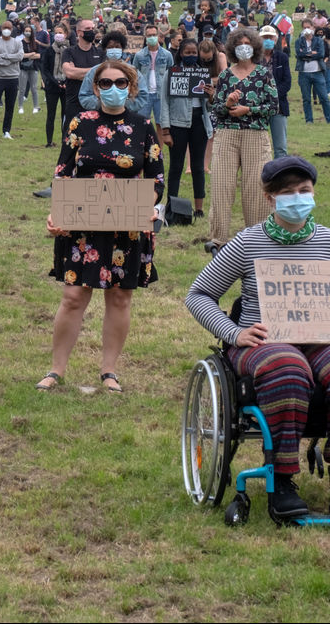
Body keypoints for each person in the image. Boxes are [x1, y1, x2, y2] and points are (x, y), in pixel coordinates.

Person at [186, 156, 330, 520]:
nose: (297, 198)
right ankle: (283, 478)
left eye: (304, 191)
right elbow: (198, 295)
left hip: (323, 338)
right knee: (286, 366)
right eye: (288, 193)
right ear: (269, 197)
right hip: (264, 341)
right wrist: (234, 333)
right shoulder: (247, 243)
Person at [39, 60, 163, 393]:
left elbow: (157, 178)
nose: (112, 88)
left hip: (127, 227)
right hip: (83, 224)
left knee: (120, 298)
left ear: (131, 87)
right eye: (105, 83)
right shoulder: (80, 122)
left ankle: (109, 372)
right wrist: (57, 214)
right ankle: (56, 370)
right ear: (95, 88)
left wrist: (149, 206)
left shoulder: (143, 126)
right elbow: (63, 171)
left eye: (120, 82)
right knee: (73, 296)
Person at [205, 29, 278, 253]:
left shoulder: (264, 73)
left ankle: (257, 238)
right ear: (232, 48)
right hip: (227, 134)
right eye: (240, 43)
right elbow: (216, 109)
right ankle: (217, 239)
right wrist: (227, 104)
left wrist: (249, 109)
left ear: (255, 47)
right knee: (221, 186)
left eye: (248, 43)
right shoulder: (226, 75)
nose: (244, 46)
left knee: (255, 188)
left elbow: (274, 107)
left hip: (255, 135)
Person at [159, 39, 211, 219]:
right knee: (176, 166)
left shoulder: (203, 74)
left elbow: (211, 105)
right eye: (187, 53)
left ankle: (199, 209)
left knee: (198, 167)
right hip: (177, 124)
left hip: (199, 123)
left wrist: (212, 96)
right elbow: (163, 101)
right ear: (180, 53)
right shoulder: (171, 73)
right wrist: (165, 130)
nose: (191, 56)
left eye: (194, 53)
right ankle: (171, 206)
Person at [259, 25, 292, 158]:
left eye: (270, 37)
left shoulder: (282, 57)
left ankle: (281, 175)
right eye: (264, 37)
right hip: (258, 105)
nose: (268, 40)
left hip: (278, 105)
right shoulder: (253, 59)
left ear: (275, 39)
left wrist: (273, 95)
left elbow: (287, 82)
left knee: (280, 147)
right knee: (258, 146)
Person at [0, 18, 22, 139]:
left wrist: (5, 57)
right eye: (5, 28)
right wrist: (8, 62)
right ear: (1, 29)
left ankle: (6, 130)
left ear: (12, 30)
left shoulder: (17, 42)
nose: (7, 30)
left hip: (13, 77)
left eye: (9, 28)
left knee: (10, 106)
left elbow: (20, 56)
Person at [40, 22, 70, 149]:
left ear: (66, 34)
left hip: (66, 85)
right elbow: (45, 69)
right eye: (56, 33)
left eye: (60, 33)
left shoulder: (70, 50)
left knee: (65, 113)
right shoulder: (49, 50)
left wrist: (65, 82)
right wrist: (55, 82)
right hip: (52, 86)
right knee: (51, 114)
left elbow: (72, 67)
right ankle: (49, 140)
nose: (58, 35)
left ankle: (65, 138)